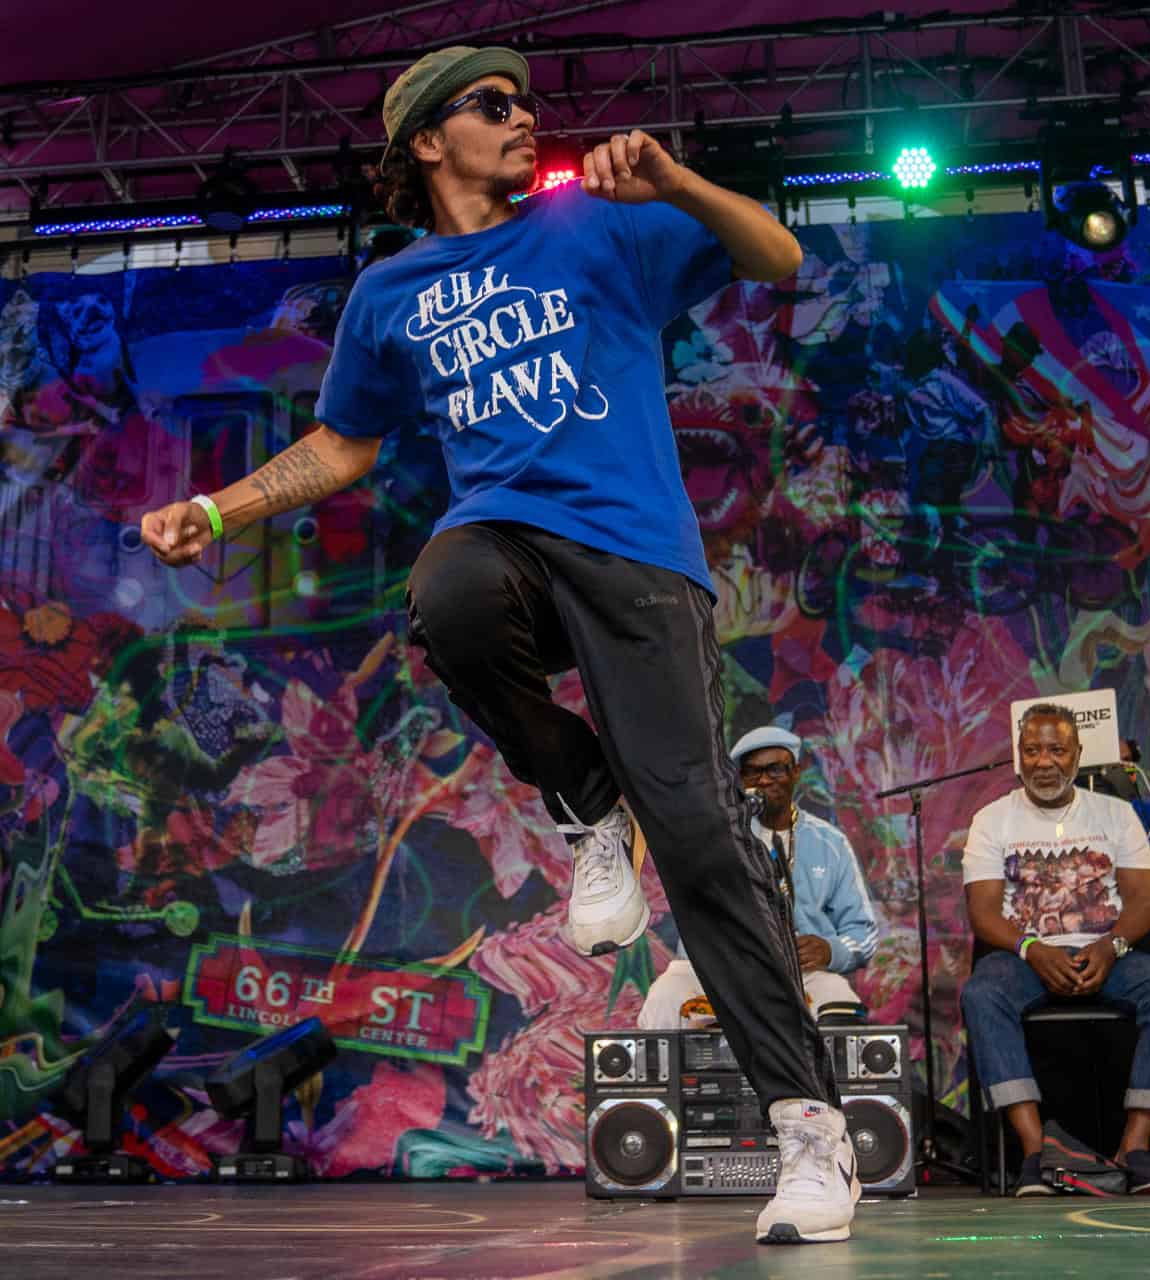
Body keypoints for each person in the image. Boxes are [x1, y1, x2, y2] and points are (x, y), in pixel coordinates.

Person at [136, 46, 856, 1244]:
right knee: (448, 591)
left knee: (701, 838)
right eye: (491, 106)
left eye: (526, 103)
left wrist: (677, 182)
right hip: (506, 536)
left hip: (636, 554)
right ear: (428, 141)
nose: (523, 118)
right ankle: (585, 799)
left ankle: (808, 1125)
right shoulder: (392, 292)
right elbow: (343, 446)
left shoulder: (595, 228)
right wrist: (218, 511)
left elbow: (776, 256)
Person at [960, 703, 1150, 1195]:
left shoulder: (1116, 814)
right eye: (1032, 750)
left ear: (1078, 754)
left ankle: (1133, 1150)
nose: (1044, 761)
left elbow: (1142, 901)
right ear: (1017, 756)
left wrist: (1111, 947)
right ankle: (1035, 1153)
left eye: (1056, 749)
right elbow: (983, 914)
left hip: (1106, 954)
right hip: (1024, 957)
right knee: (982, 994)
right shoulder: (991, 820)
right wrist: (1031, 948)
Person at [639, 725, 879, 1030]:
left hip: (802, 975)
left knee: (838, 1001)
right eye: (752, 772)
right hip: (715, 971)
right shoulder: (714, 838)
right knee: (666, 996)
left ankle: (821, 1081)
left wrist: (831, 950)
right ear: (741, 781)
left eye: (775, 769)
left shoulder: (829, 843)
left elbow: (863, 932)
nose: (764, 780)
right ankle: (673, 1080)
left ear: (796, 772)